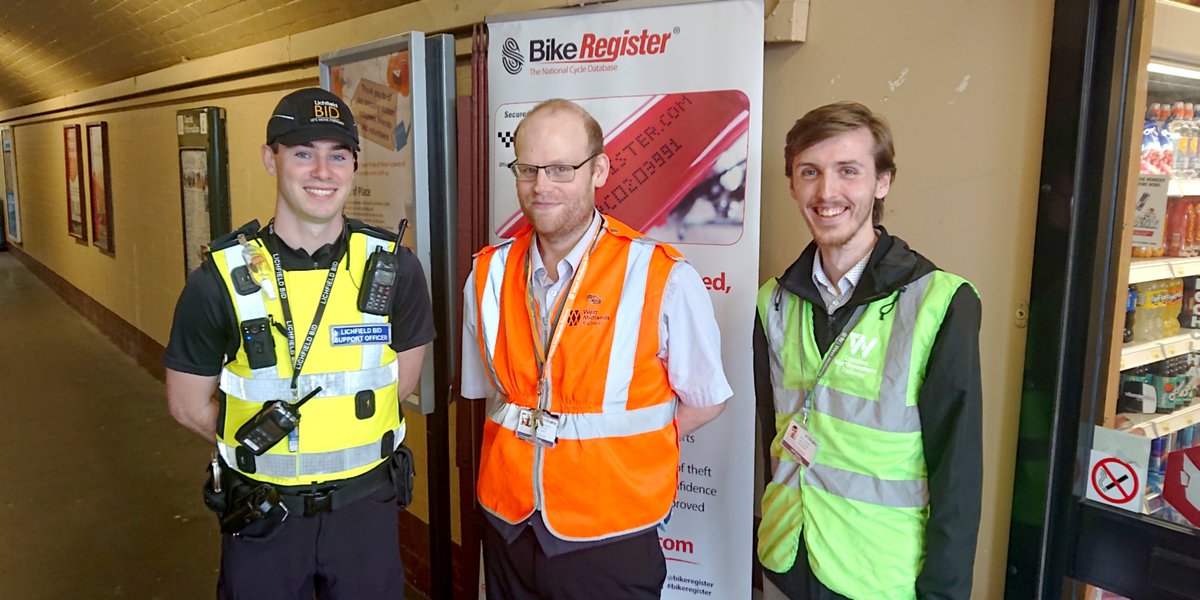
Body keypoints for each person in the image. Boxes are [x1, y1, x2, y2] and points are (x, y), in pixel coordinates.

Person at [163, 87, 435, 599]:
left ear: (355, 166)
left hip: (365, 515)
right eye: (303, 153)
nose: (322, 172)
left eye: (338, 156)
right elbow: (185, 404)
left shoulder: (395, 270)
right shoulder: (219, 279)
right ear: (271, 159)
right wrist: (271, 455)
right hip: (264, 514)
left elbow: (399, 386)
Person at [460, 98, 733, 599]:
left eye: (562, 168)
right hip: (507, 525)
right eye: (527, 169)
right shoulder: (488, 274)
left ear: (599, 170)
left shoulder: (661, 275)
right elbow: (488, 395)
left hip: (610, 535)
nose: (542, 186)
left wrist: (624, 447)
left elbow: (706, 399)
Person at [754, 101, 982, 600]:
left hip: (878, 576)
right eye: (809, 172)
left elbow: (958, 474)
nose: (826, 192)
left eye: (848, 172)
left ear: (882, 182)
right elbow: (768, 436)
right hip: (786, 562)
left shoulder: (941, 302)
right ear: (792, 184)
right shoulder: (772, 302)